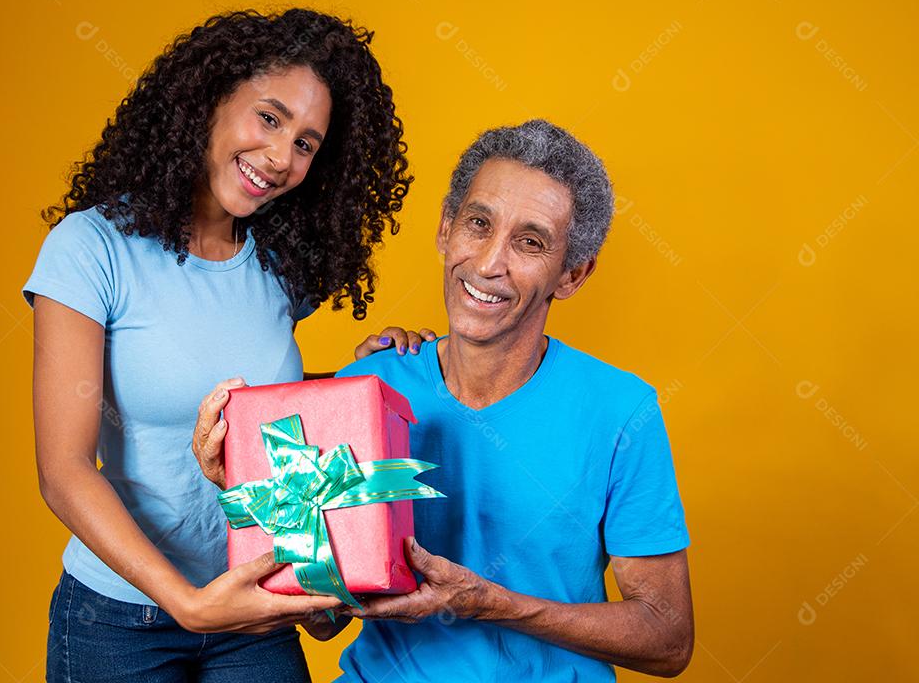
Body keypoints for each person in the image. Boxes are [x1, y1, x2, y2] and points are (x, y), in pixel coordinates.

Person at [195, 119, 693, 681]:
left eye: (529, 242)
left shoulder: (620, 411)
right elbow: (325, 618)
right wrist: (253, 487)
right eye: (477, 224)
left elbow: (668, 639)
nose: (487, 263)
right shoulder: (368, 386)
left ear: (572, 275)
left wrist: (489, 602)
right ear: (444, 230)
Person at [23, 8, 432, 683]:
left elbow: (262, 415)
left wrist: (367, 381)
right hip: (122, 621)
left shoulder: (278, 267)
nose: (280, 158)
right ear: (208, 101)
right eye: (269, 118)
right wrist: (187, 604)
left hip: (256, 608)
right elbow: (64, 469)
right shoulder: (89, 250)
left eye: (306, 143)